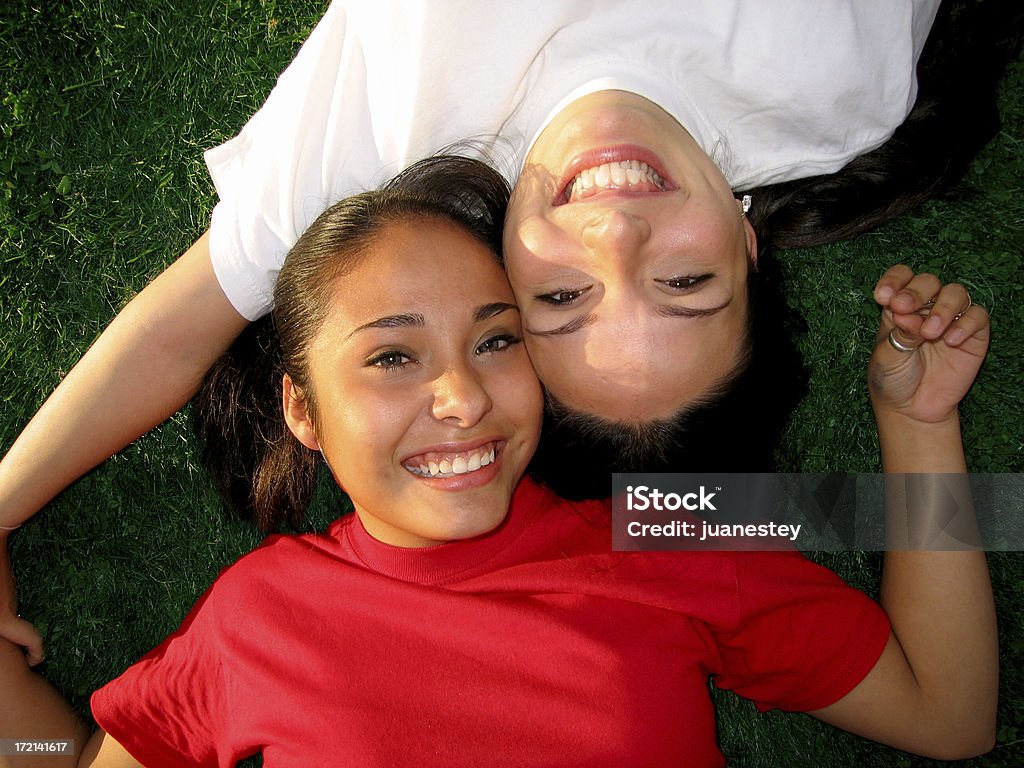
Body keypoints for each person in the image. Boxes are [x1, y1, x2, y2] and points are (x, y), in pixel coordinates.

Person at [1, 0, 1020, 659]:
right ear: (749, 248)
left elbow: (179, 328)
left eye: (559, 303)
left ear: (499, 275)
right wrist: (917, 427)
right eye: (685, 280)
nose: (616, 234)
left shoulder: (381, 156)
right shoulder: (839, 89)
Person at [0, 156, 997, 767]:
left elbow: (951, 717)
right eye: (393, 356)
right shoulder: (259, 613)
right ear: (300, 409)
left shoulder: (658, 525)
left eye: (496, 339)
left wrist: (915, 425)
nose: (463, 398)